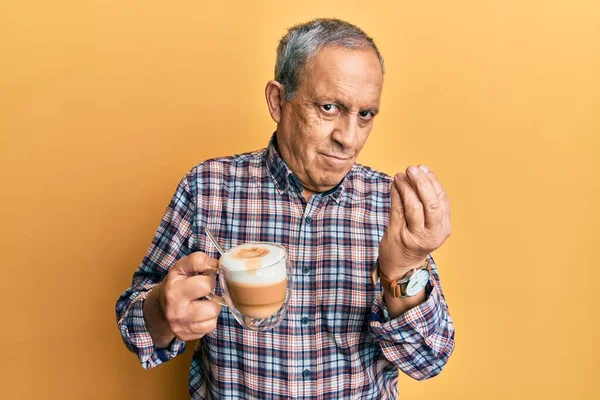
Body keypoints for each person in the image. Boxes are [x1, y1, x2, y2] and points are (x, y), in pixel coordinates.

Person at [116, 18, 455, 399]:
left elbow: (428, 359)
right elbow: (135, 327)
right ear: (278, 101)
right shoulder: (207, 188)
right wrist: (162, 309)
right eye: (329, 107)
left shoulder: (387, 204)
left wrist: (403, 268)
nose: (348, 138)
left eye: (365, 115)